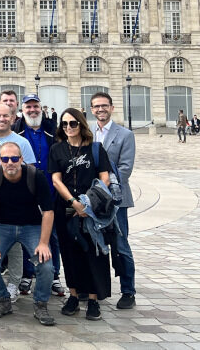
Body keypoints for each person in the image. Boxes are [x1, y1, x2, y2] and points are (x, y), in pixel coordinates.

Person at [0, 142, 56, 326]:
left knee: (46, 266)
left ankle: (40, 303)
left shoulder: (35, 176)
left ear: (21, 159)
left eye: (14, 158)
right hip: (2, 225)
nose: (10, 162)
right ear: (0, 160)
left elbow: (48, 211)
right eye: (5, 159)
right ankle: (3, 299)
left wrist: (44, 243)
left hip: (32, 226)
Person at [50, 108, 112, 321]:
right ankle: (74, 295)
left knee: (93, 254)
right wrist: (74, 203)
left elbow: (105, 178)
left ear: (82, 125)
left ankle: (93, 299)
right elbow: (56, 180)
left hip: (91, 211)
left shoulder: (95, 149)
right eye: (65, 124)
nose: (68, 128)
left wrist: (88, 203)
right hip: (66, 209)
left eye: (73, 123)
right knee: (69, 254)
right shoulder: (57, 149)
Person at [0, 103, 36, 301]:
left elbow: (31, 171)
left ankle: (13, 284)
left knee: (15, 244)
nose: (1, 119)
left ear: (12, 118)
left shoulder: (22, 142)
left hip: (14, 201)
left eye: (5, 116)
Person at [12, 94, 62, 298]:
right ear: (22, 109)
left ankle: (55, 275)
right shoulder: (17, 129)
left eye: (35, 106)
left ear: (41, 108)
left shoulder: (51, 129)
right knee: (26, 234)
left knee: (53, 236)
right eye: (28, 107)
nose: (32, 110)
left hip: (51, 188)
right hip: (27, 190)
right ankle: (28, 272)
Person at [90, 92, 137, 310]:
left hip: (116, 200)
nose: (101, 109)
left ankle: (128, 291)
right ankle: (94, 288)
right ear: (91, 110)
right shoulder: (88, 133)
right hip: (92, 200)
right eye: (97, 106)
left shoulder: (125, 135)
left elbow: (125, 169)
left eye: (104, 106)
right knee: (94, 244)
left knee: (120, 245)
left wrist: (103, 188)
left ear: (112, 107)